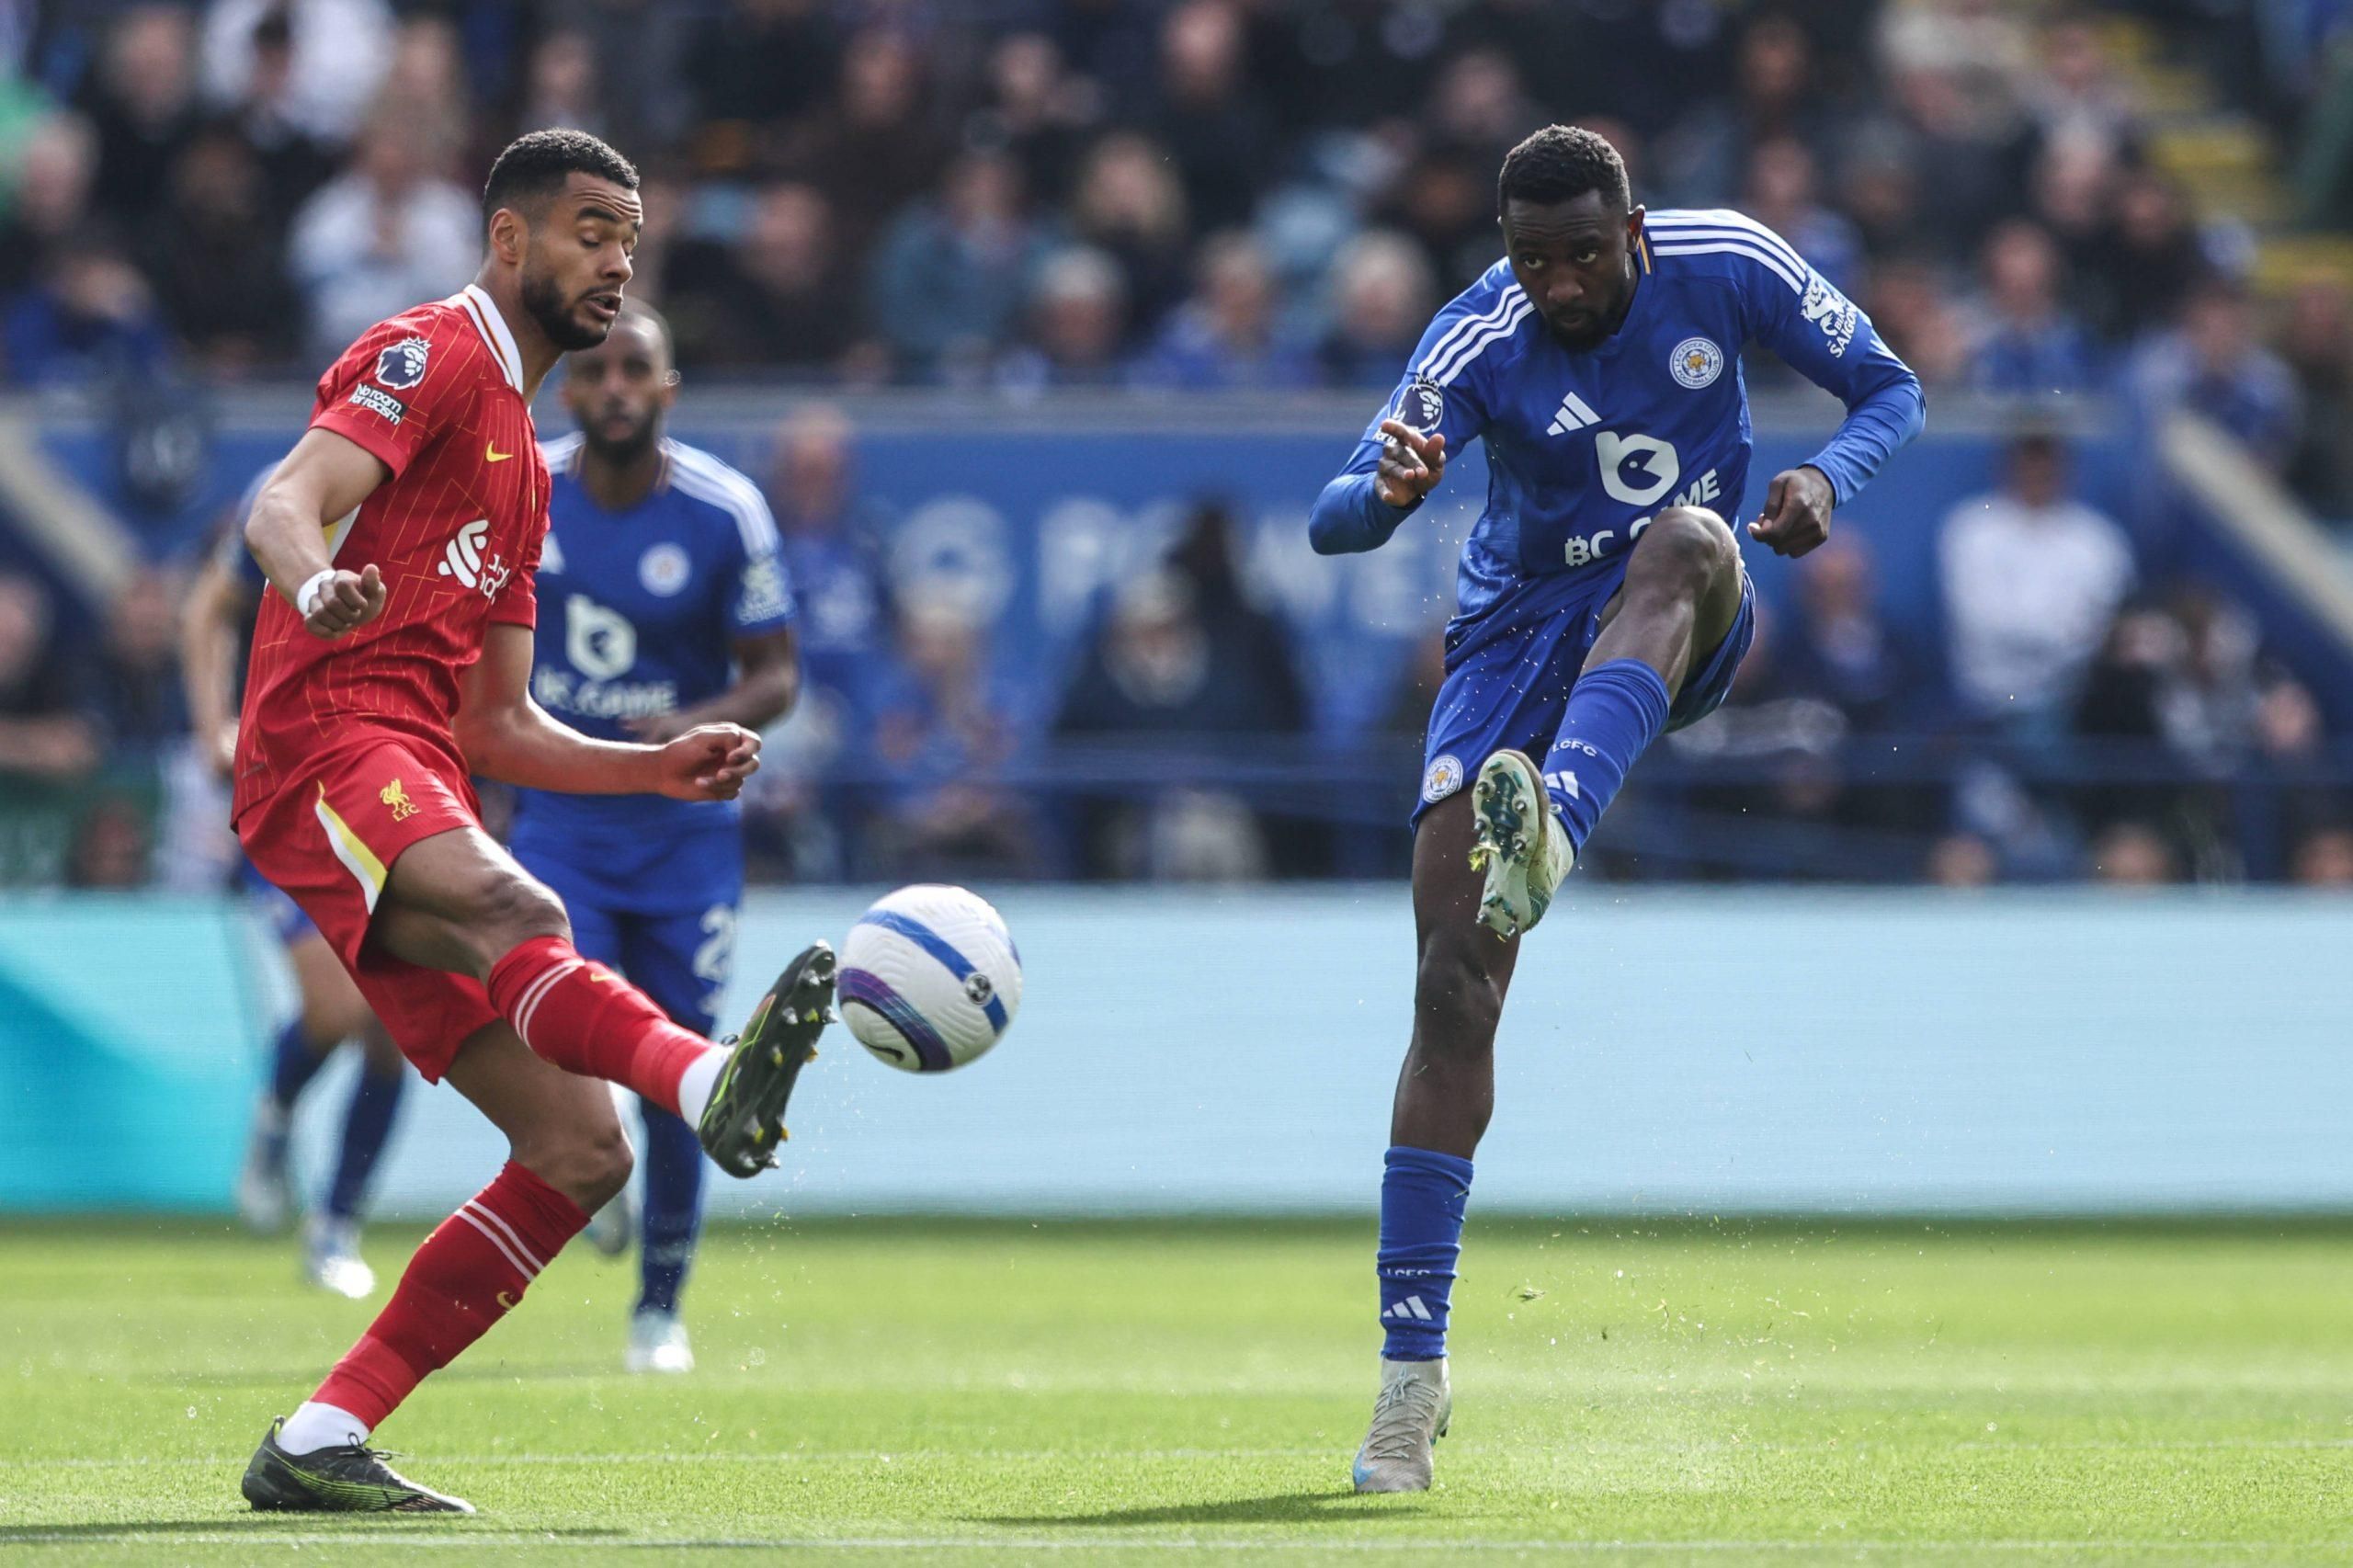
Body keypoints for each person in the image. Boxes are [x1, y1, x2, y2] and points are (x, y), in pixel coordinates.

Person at [1307, 125, 1923, 1493]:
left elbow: (1890, 388)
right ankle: (1411, 1378)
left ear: (1636, 228)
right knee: (1451, 988)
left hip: (1678, 612)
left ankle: (1561, 825)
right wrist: (1387, 494)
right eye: (1534, 260)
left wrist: (1830, 477)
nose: (1562, 282)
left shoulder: (1732, 264)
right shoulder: (1477, 336)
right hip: (1515, 640)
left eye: (1585, 252)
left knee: (1691, 537)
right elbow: (1331, 515)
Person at [230, 129, 835, 1516]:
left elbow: (500, 724)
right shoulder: (433, 349)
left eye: (629, 238)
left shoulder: (525, 464)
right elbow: (284, 498)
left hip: (414, 765)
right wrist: (316, 583)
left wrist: (657, 765)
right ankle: (705, 1079)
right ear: (510, 242)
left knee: (580, 1151)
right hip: (326, 741)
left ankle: (321, 1435)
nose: (615, 261)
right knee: (529, 911)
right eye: (588, 231)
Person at [516, 300, 800, 1374]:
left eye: (637, 370)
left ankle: (659, 1307)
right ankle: (599, 1154)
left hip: (685, 834)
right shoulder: (521, 488)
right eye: (595, 372)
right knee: (562, 1026)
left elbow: (777, 672)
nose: (616, 388)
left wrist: (696, 719)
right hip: (561, 817)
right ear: (569, 390)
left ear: (667, 388)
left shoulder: (727, 510)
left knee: (685, 1060)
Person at [183, 466, 408, 1299]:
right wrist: (214, 728)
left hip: (391, 782)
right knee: (337, 1007)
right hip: (287, 785)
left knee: (397, 1024)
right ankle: (276, 1113)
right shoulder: (297, 490)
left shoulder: (454, 498)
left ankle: (338, 1225)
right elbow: (207, 607)